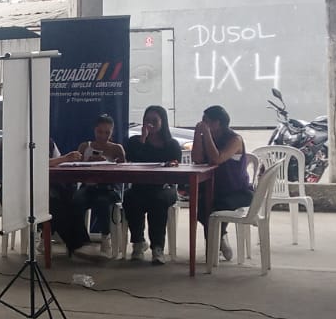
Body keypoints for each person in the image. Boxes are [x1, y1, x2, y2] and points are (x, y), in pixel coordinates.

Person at [0, 140, 90, 258]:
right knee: (53, 206)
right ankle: (77, 245)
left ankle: (80, 243)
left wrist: (64, 160)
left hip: (28, 189)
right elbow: (32, 164)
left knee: (66, 200)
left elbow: (52, 162)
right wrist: (64, 158)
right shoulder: (15, 141)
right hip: (9, 194)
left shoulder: (48, 142)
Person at [123, 105, 184, 265]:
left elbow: (176, 167)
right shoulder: (135, 142)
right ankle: (138, 242)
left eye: (154, 120)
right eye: (147, 120)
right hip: (140, 187)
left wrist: (171, 165)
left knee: (158, 200)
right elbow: (132, 160)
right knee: (130, 198)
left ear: (162, 122)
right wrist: (143, 139)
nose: (150, 124)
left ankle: (157, 247)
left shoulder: (171, 144)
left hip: (164, 188)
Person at [191, 105, 253, 262]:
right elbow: (197, 159)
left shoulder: (235, 139)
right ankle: (220, 238)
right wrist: (197, 135)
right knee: (201, 207)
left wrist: (206, 135)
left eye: (206, 121)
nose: (203, 123)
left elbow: (216, 159)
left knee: (212, 208)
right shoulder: (207, 137)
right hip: (212, 188)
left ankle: (213, 248)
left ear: (217, 123)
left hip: (237, 191)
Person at [71, 114, 127, 257]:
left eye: (107, 132)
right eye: (100, 132)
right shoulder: (85, 146)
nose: (103, 136)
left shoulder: (117, 148)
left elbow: (124, 172)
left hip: (109, 188)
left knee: (102, 202)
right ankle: (82, 240)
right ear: (94, 130)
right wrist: (87, 162)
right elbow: (76, 169)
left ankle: (105, 237)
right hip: (88, 186)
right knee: (76, 201)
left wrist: (108, 163)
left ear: (112, 132)